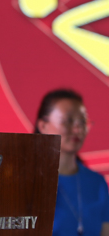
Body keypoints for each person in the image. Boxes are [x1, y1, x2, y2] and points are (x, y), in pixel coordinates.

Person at [35, 89, 109, 236]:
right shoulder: (25, 181)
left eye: (82, 122)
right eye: (68, 121)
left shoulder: (97, 183)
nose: (77, 129)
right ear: (43, 126)